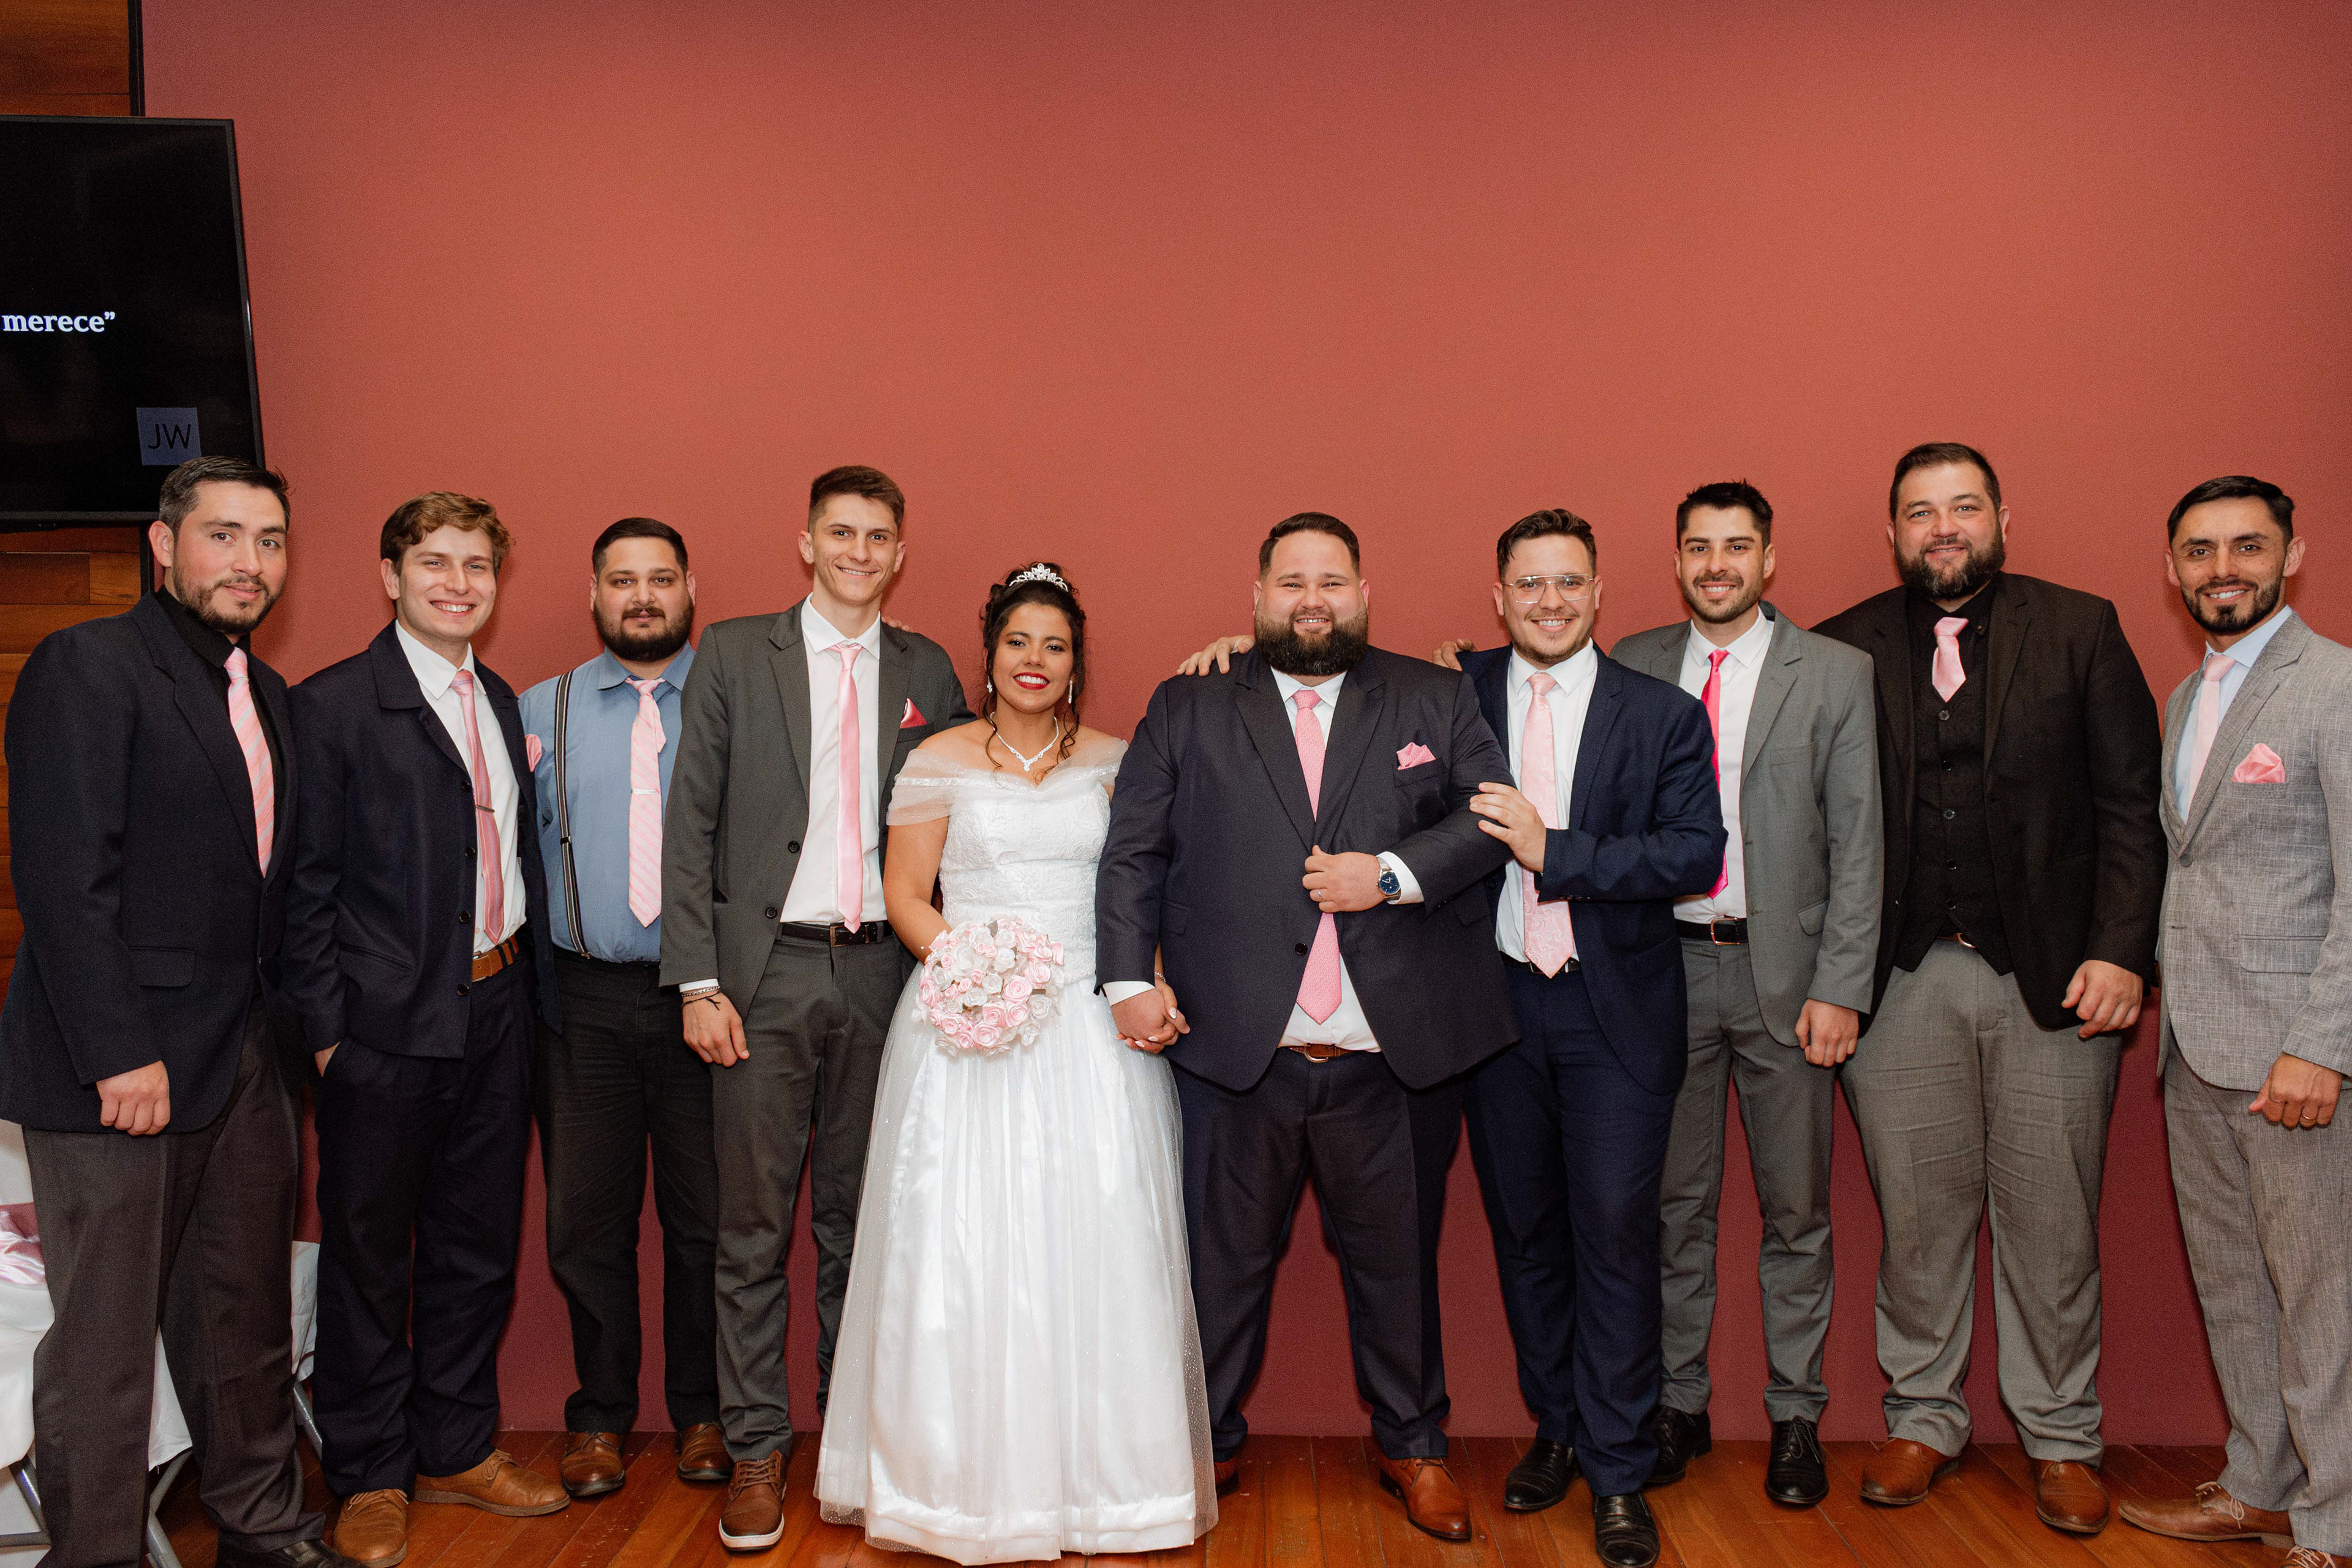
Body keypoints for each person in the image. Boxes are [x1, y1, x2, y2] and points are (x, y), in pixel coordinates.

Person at [1098, 513, 1516, 1545]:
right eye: (1292, 582)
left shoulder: (1433, 695)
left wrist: (1391, 875)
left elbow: (1489, 816)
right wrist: (1126, 981)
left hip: (1392, 1053)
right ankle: (1202, 1446)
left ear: (1365, 594)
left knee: (1399, 1267)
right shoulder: (1189, 704)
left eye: (1332, 580)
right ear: (1258, 599)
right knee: (1220, 1268)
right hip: (1237, 1049)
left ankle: (1414, 1446)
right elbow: (1134, 852)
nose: (1313, 599)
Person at [814, 563, 1215, 1562]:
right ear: (988, 656)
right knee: (960, 1239)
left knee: (1099, 1237)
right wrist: (968, 972)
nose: (1035, 660)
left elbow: (1139, 889)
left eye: (1056, 646)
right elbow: (907, 893)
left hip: (1088, 1025)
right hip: (964, 1027)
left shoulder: (1120, 761)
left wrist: (1146, 981)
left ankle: (1110, 1491)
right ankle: (953, 1486)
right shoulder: (937, 759)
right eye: (1017, 642)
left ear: (1077, 664)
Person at [0, 458, 352, 1568]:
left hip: (247, 1060)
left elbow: (271, 888)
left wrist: (304, 1037)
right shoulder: (87, 665)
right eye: (224, 535)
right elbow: (63, 879)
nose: (249, 562)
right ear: (165, 545)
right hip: (120, 1072)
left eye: (270, 541)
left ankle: (265, 1534)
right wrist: (119, 1053)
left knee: (244, 1321)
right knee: (106, 1348)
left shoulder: (268, 692)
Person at [1814, 442, 2164, 1534]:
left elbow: (2132, 806)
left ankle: (2061, 1435)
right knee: (1919, 1219)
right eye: (1921, 512)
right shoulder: (1842, 646)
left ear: (2004, 516)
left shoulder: (2081, 628)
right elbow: (1811, 824)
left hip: (2057, 983)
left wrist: (2122, 950)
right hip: (1899, 980)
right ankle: (1923, 1416)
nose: (1944, 528)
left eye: (1964, 506)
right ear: (1894, 533)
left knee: (2051, 1222)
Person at [660, 466, 974, 1551]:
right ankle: (758, 1448)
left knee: (864, 1225)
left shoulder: (928, 667)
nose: (858, 552)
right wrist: (697, 980)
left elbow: (972, 807)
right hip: (764, 976)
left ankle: (850, 1441)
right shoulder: (734, 654)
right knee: (751, 1230)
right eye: (840, 533)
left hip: (885, 977)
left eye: (878, 536)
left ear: (900, 553)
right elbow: (690, 820)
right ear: (806, 542)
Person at [285, 492, 568, 1567]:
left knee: (475, 1247)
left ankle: (453, 1447)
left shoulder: (494, 697)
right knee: (369, 1258)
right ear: (390, 576)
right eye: (436, 562)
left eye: (478, 566)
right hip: (382, 1032)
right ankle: (369, 1473)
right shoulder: (333, 706)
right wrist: (329, 1039)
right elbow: (303, 890)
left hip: (496, 1012)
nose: (459, 583)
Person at [1454, 511, 1723, 1568]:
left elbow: (1693, 854)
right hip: (1494, 1010)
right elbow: (1342, 686)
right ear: (1499, 597)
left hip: (1614, 1014)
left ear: (1601, 591)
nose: (1551, 601)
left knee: (1613, 1237)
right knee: (1527, 1235)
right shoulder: (1455, 694)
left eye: (1569, 582)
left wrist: (1552, 850)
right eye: (1530, 584)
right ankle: (1558, 1427)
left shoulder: (1661, 714)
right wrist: (1236, 650)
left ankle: (1618, 1470)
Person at [1606, 483, 1880, 1507]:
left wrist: (1842, 986)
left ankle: (1796, 1415)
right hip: (1662, 974)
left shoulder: (1836, 673)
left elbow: (1861, 842)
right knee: (1672, 1207)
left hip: (1789, 979)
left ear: (1769, 559)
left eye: (1736, 547)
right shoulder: (1631, 662)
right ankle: (1679, 1405)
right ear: (1676, 561)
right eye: (1698, 547)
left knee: (1796, 1211)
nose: (1716, 565)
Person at [2116, 477, 2351, 1568]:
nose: (2224, 570)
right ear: (2172, 570)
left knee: (2321, 1295)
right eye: (2201, 551)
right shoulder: (2183, 698)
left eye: (2248, 547)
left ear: (2291, 556)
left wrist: (2321, 1046)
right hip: (2195, 1047)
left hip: (2294, 1057)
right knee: (2235, 1287)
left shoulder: (2335, 687)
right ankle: (2263, 1485)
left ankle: (2337, 1520)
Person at [519, 519, 726, 1498]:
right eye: (621, 580)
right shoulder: (538, 710)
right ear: (594, 594)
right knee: (585, 1223)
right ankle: (599, 1417)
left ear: (691, 589)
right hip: (583, 1000)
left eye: (661, 578)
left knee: (707, 1222)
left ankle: (704, 1414)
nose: (642, 596)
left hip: (707, 999)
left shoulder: (732, 701)